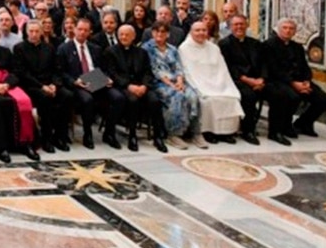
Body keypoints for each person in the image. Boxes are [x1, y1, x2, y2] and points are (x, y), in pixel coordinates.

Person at [0, 23, 39, 163]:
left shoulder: (5, 51)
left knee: (24, 101)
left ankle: (25, 143)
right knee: (0, 103)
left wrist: (7, 84)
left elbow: (15, 72)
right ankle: (1, 147)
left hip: (7, 85)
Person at [264, 18, 326, 139]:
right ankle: (283, 126)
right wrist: (293, 83)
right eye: (285, 28)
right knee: (293, 96)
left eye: (291, 29)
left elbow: (305, 67)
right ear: (278, 29)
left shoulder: (297, 47)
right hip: (278, 81)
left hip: (300, 81)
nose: (288, 31)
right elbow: (274, 70)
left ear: (295, 31)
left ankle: (303, 123)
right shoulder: (268, 45)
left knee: (324, 99)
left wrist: (307, 81)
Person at [102, 25, 168, 153]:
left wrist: (144, 86)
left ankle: (157, 136)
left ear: (133, 37)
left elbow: (148, 72)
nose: (124, 37)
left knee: (154, 100)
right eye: (121, 34)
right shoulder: (110, 51)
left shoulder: (142, 52)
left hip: (141, 85)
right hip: (122, 86)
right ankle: (132, 135)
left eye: (127, 35)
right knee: (133, 100)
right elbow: (112, 73)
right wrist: (129, 86)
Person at [57, 18, 119, 149]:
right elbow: (61, 72)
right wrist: (74, 81)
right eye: (80, 29)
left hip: (95, 79)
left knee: (117, 98)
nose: (82, 32)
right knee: (87, 100)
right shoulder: (64, 48)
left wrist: (107, 78)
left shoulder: (96, 48)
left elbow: (104, 68)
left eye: (86, 30)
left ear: (90, 32)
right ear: (74, 29)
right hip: (78, 82)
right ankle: (88, 134)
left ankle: (109, 133)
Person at [177, 21, 243, 144]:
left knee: (230, 98)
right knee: (208, 100)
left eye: (204, 30)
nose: (201, 33)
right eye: (197, 30)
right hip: (199, 83)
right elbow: (188, 71)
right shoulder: (184, 48)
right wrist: (202, 86)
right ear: (191, 32)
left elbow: (222, 69)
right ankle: (208, 132)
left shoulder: (214, 48)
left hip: (218, 82)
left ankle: (226, 133)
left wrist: (222, 84)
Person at [13, 20, 73, 153]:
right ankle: (46, 138)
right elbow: (22, 73)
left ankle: (60, 136)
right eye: (31, 31)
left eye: (36, 31)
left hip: (50, 84)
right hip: (31, 85)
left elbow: (57, 69)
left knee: (67, 96)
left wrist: (55, 85)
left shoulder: (49, 48)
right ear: (26, 32)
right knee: (45, 98)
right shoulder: (19, 48)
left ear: (41, 32)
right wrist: (42, 86)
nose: (34, 34)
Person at [143, 22, 204, 150]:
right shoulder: (147, 48)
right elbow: (154, 70)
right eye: (157, 31)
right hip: (158, 83)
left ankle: (195, 133)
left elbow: (178, 67)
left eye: (163, 32)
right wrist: (171, 85)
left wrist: (180, 81)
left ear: (168, 34)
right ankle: (174, 134)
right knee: (177, 97)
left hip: (176, 81)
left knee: (193, 95)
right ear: (152, 33)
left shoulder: (173, 49)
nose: (160, 34)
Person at [218, 14, 275, 145]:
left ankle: (277, 130)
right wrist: (248, 80)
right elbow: (229, 67)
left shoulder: (256, 44)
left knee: (280, 93)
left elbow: (264, 63)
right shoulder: (224, 44)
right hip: (237, 80)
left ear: (247, 25)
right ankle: (248, 130)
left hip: (258, 80)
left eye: (242, 24)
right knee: (249, 95)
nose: (239, 27)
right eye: (236, 24)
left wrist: (262, 79)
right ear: (230, 27)